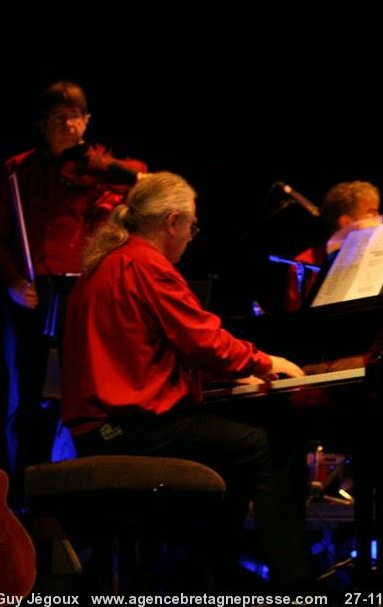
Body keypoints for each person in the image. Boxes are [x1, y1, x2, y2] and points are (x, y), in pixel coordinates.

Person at [61, 171, 312, 589]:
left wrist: (224, 378)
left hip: (103, 428)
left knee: (235, 449)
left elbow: (148, 350)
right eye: (191, 226)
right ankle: (295, 587)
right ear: (172, 222)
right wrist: (263, 361)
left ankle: (213, 576)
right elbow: (201, 340)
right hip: (131, 429)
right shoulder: (147, 265)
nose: (192, 236)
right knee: (274, 448)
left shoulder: (108, 263)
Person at [0, 81, 146, 491]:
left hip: (83, 294)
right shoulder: (19, 170)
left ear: (87, 121)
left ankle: (88, 486)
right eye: (59, 118)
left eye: (77, 116)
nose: (70, 125)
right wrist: (13, 283)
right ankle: (21, 493)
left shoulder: (101, 170)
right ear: (42, 126)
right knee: (24, 402)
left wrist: (102, 168)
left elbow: (144, 185)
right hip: (32, 295)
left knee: (87, 397)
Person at [284, 180, 382, 310]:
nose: (379, 218)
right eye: (372, 212)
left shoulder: (381, 254)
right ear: (346, 222)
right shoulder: (304, 264)